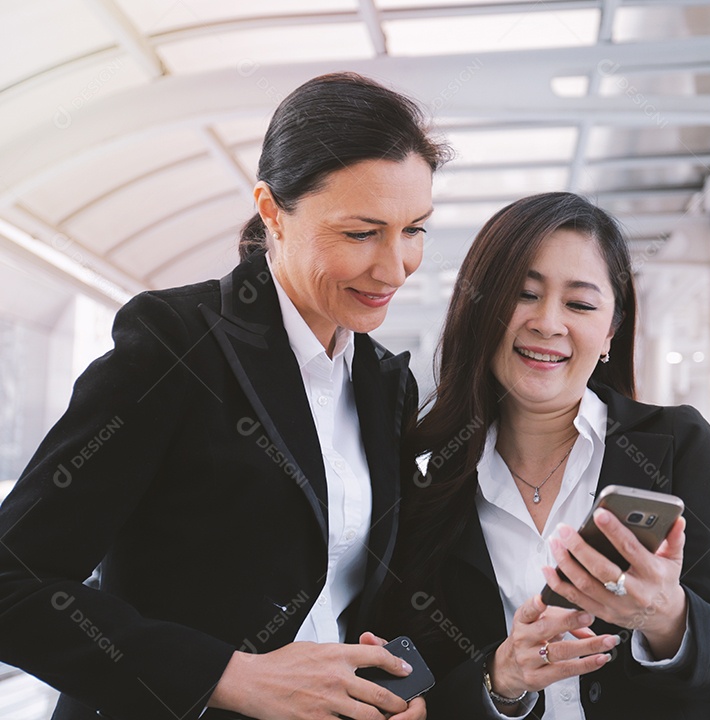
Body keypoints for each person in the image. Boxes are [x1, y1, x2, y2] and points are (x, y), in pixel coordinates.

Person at [0, 72, 449, 720]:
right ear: (272, 211)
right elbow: (14, 584)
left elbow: (360, 591)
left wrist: (403, 686)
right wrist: (229, 678)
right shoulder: (176, 346)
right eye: (361, 233)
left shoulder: (384, 382)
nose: (395, 265)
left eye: (415, 229)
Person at [380, 193, 710, 718]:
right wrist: (501, 678)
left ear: (610, 331)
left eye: (579, 304)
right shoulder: (422, 473)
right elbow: (402, 675)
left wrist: (666, 615)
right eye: (523, 295)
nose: (548, 323)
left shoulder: (677, 445)